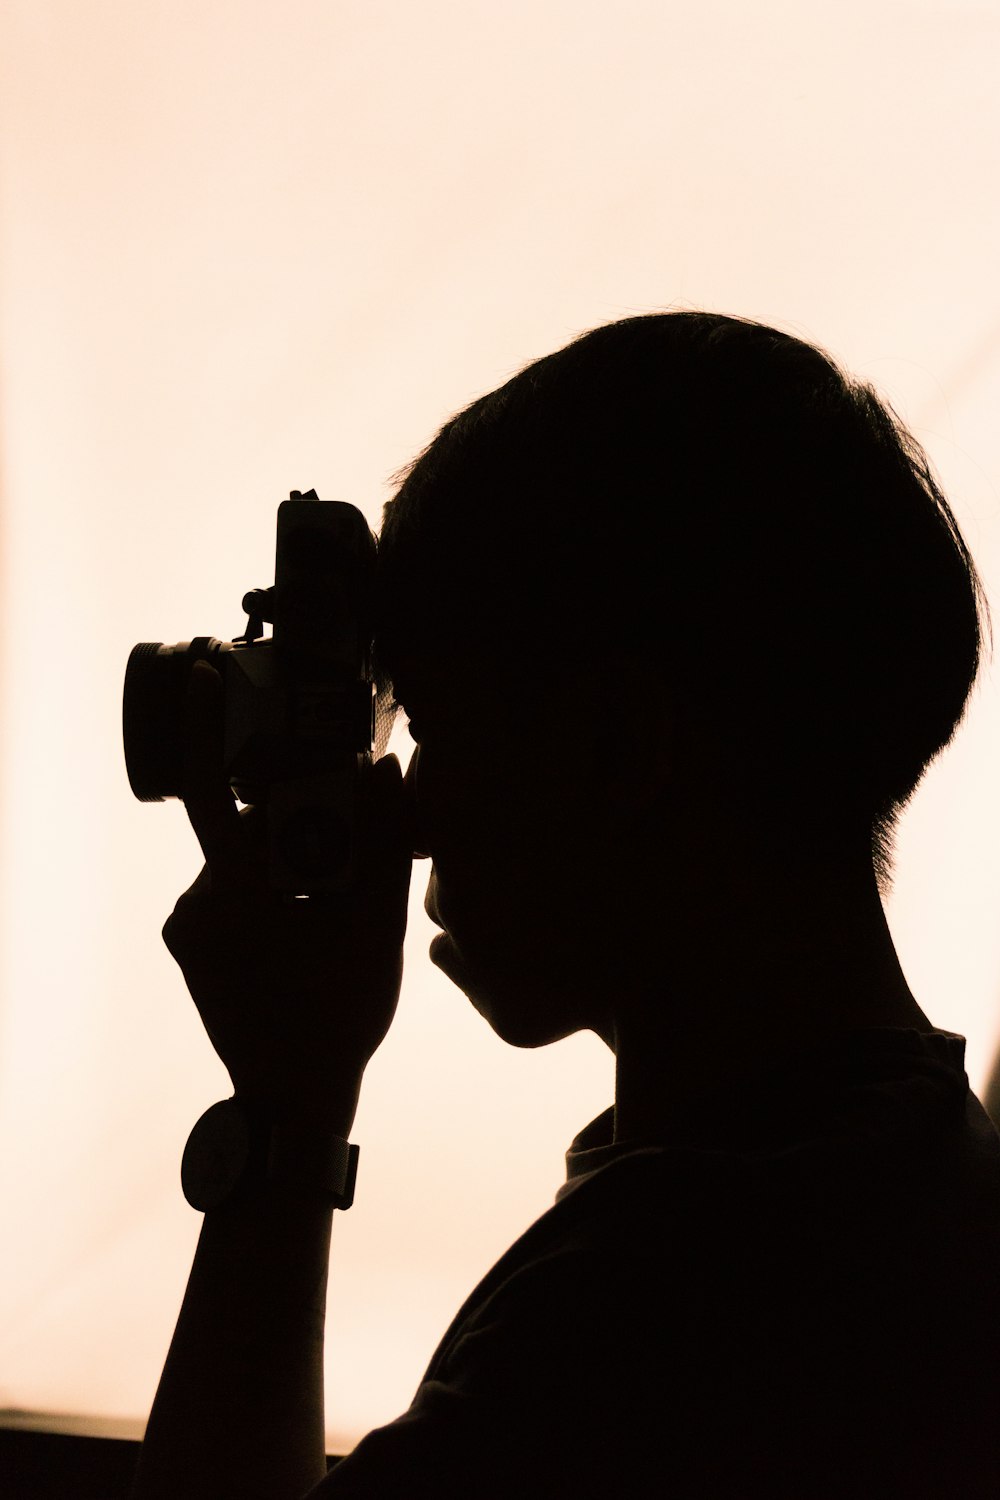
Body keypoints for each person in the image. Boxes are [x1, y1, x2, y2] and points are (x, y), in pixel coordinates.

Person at [130, 311, 1000, 1499]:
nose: (414, 813)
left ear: (622, 747)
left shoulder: (676, 1293)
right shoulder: (918, 1196)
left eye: (438, 728)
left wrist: (284, 1119)